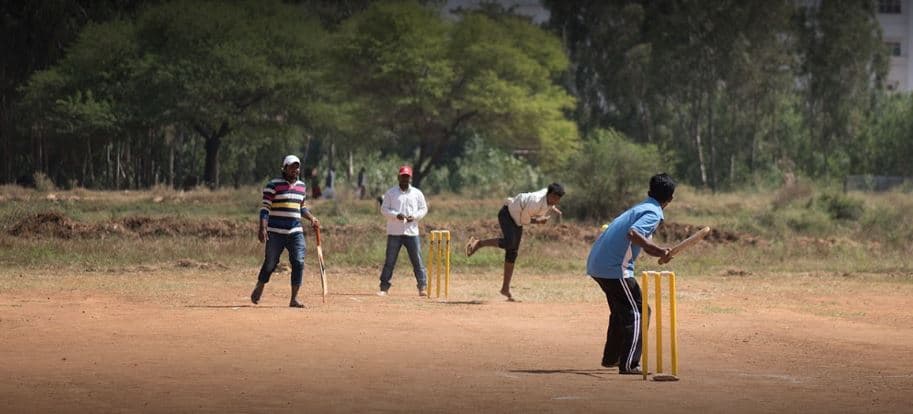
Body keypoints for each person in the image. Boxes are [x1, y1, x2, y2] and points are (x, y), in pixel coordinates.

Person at [585, 173, 676, 375]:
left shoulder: (641, 207)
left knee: (621, 312)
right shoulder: (653, 212)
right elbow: (634, 234)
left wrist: (657, 251)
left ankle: (613, 358)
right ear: (670, 198)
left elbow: (637, 237)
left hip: (598, 265)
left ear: (649, 191)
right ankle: (629, 364)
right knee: (639, 312)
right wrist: (659, 251)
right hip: (615, 268)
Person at [466, 183, 565, 301]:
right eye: (553, 197)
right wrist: (538, 221)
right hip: (507, 214)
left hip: (516, 218)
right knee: (509, 243)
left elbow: (547, 202)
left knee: (512, 253)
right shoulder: (535, 203)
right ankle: (479, 243)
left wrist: (553, 208)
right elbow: (524, 220)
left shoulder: (547, 196)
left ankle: (505, 288)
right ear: (548, 194)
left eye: (558, 199)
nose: (555, 200)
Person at [250, 155, 320, 308]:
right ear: (284, 168)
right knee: (271, 262)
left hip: (295, 231)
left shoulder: (302, 186)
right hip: (275, 232)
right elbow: (265, 209)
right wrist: (262, 228)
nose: (295, 170)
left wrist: (312, 218)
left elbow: (301, 208)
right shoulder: (273, 185)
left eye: (297, 167)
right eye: (292, 167)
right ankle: (260, 285)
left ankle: (294, 299)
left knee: (299, 261)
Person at [377, 165, 428, 296]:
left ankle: (422, 287)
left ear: (410, 178)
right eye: (403, 176)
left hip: (411, 232)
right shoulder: (391, 193)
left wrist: (414, 217)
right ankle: (384, 287)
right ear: (398, 177)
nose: (405, 179)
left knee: (417, 260)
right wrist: (396, 215)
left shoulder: (417, 193)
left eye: (407, 177)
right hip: (394, 232)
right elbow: (384, 209)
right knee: (390, 261)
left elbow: (423, 209)